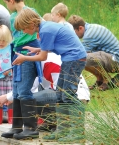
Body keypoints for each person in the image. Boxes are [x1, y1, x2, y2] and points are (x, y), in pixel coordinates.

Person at [12, 8, 87, 143]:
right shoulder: (44, 27)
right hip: (69, 58)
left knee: (68, 94)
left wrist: (24, 58)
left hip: (75, 58)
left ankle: (78, 131)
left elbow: (42, 57)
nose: (23, 32)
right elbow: (52, 46)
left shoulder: (45, 30)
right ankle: (63, 130)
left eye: (24, 28)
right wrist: (37, 49)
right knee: (60, 94)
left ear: (31, 24)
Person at [0, 52, 91, 131]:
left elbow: (64, 92)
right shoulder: (41, 60)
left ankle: (65, 123)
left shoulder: (49, 61)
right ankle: (53, 122)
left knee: (28, 100)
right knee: (33, 94)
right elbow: (31, 86)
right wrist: (11, 97)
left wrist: (9, 97)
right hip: (60, 94)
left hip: (75, 98)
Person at [1, 0, 42, 140]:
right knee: (17, 90)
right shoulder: (12, 17)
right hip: (17, 54)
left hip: (28, 54)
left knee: (24, 90)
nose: (7, 6)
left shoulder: (31, 13)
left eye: (6, 3)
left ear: (11, 1)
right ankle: (16, 127)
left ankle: (31, 128)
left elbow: (41, 29)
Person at [68, 15, 119, 91]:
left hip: (117, 61)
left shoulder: (89, 34)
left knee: (83, 58)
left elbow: (81, 54)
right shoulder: (89, 28)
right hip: (109, 58)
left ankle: (107, 80)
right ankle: (100, 79)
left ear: (80, 28)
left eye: (74, 33)